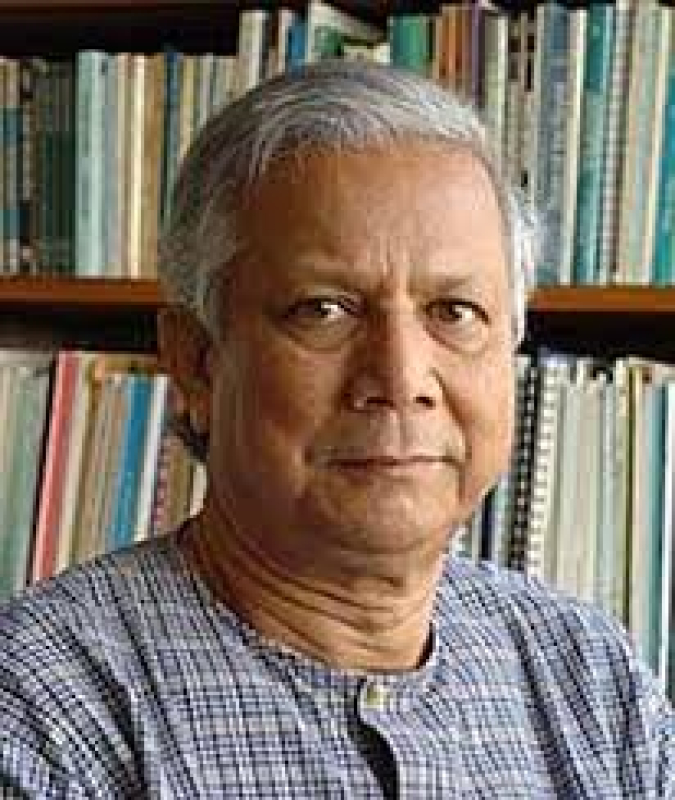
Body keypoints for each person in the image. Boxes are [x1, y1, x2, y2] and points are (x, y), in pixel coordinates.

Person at [1, 59, 673, 798]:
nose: (401, 378)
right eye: (324, 310)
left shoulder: (589, 680)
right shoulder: (41, 707)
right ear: (197, 362)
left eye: (454, 312)